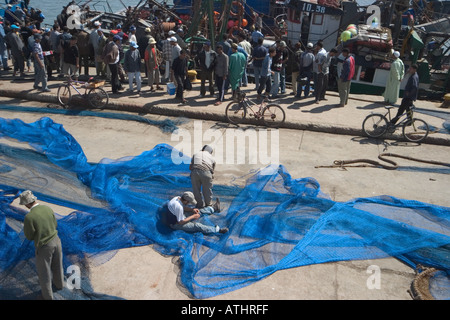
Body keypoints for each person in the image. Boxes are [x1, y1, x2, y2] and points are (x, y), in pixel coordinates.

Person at [20, 190, 64, 300]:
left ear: (27, 203)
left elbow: (29, 236)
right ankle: (59, 285)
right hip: (56, 241)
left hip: (45, 246)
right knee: (58, 265)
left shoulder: (29, 217)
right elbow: (55, 224)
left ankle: (47, 297)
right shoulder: (47, 208)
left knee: (44, 273)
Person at [161, 191, 227, 235]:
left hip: (177, 217)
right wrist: (193, 217)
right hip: (175, 224)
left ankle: (213, 208)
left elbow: (183, 208)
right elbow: (180, 222)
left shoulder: (177, 198)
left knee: (198, 211)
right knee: (197, 226)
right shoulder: (179, 207)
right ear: (186, 200)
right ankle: (217, 230)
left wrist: (192, 210)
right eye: (189, 202)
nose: (189, 203)